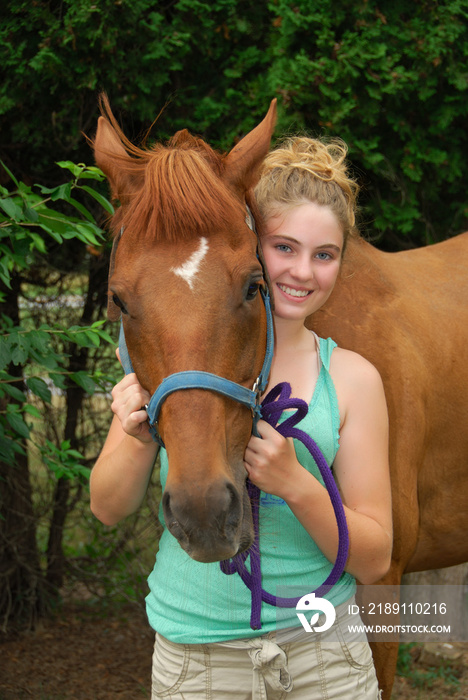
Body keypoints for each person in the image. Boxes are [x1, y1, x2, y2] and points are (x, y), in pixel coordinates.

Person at [90, 135, 392, 699]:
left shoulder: (351, 379)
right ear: (252, 243)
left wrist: (295, 484)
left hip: (324, 658)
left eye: (324, 255)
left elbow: (376, 557)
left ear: (341, 262)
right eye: (283, 247)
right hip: (198, 661)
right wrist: (134, 434)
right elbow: (107, 506)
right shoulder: (181, 366)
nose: (302, 271)